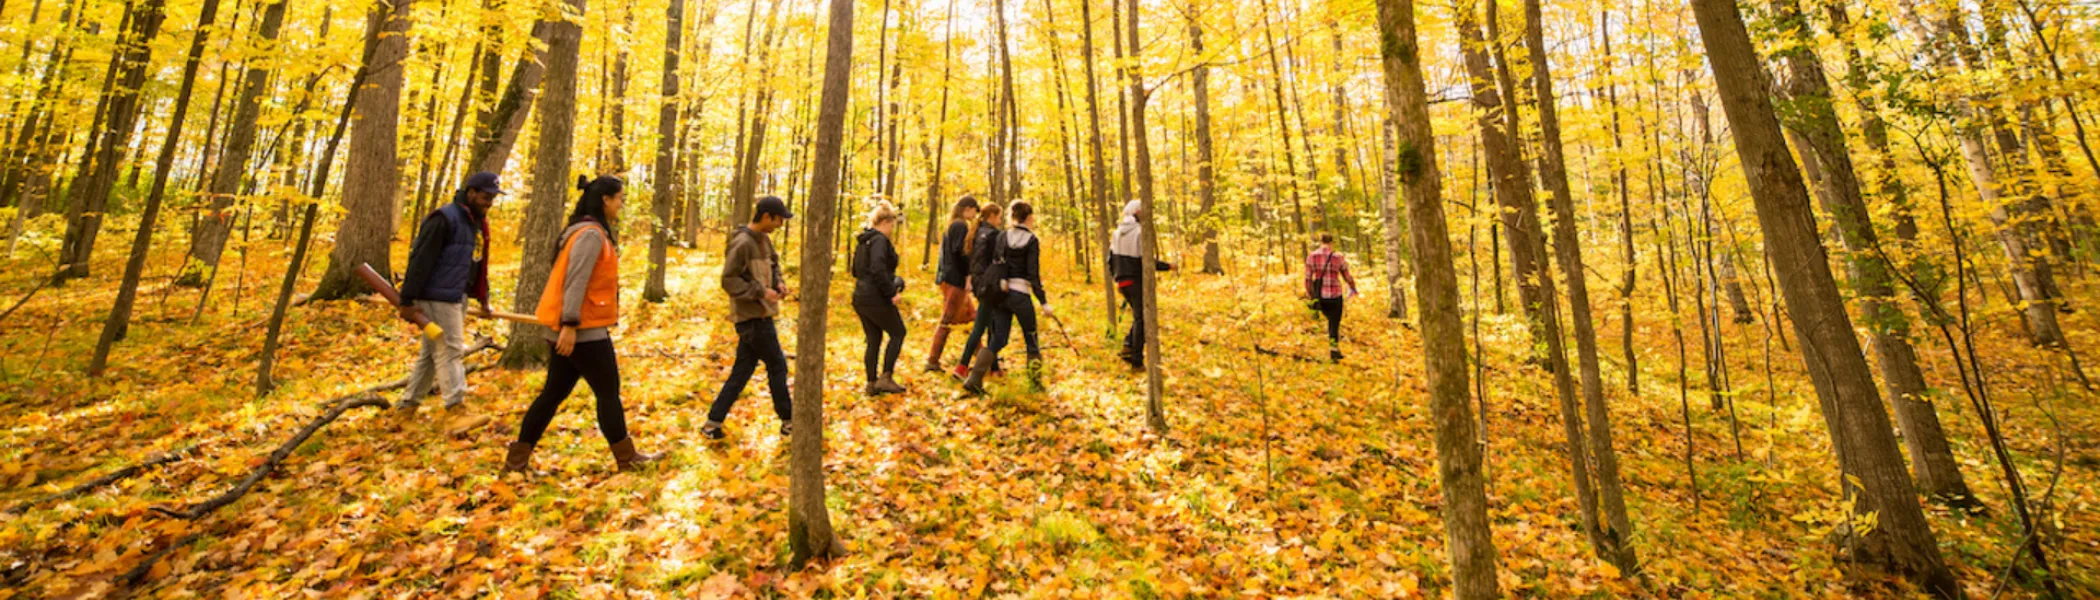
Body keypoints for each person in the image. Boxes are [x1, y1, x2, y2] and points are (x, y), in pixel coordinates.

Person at [505, 175, 661, 473]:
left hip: (577, 328)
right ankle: (627, 459)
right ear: (606, 200)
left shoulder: (585, 231)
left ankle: (516, 461)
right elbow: (575, 281)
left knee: (552, 395)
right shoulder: (590, 235)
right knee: (607, 392)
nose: (621, 204)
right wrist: (570, 326)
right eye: (619, 199)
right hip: (583, 331)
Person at [395, 171, 500, 413]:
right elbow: (420, 259)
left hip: (457, 295)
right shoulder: (444, 218)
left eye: (493, 198)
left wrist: (484, 298)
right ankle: (456, 408)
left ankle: (408, 406)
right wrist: (407, 299)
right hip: (436, 296)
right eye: (486, 197)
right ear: (471, 193)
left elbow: (477, 263)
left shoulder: (477, 223)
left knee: (431, 353)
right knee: (451, 348)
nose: (490, 203)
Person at [704, 195, 795, 440]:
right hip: (751, 318)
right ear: (766, 216)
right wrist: (759, 292)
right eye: (778, 220)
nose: (780, 225)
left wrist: (779, 284)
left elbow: (774, 267)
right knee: (778, 365)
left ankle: (713, 423)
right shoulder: (742, 243)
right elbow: (729, 279)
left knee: (742, 371)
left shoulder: (765, 241)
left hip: (763, 315)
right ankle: (789, 421)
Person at [963, 201, 1052, 395]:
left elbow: (997, 262)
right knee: (1031, 337)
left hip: (1001, 295)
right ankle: (1035, 384)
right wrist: (1043, 302)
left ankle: (975, 378)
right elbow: (1033, 275)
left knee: (998, 339)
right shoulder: (1031, 240)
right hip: (1021, 295)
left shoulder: (1003, 236)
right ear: (1028, 217)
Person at [852, 201, 909, 396]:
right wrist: (891, 291)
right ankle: (885, 377)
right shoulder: (878, 241)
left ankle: (871, 382)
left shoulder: (863, 241)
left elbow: (856, 270)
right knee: (898, 332)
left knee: (874, 338)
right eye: (892, 225)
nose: (892, 229)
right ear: (885, 221)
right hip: (875, 297)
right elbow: (877, 269)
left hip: (860, 296)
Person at [1108, 199, 1172, 370]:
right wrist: (1168, 266)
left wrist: (1117, 278)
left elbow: (1110, 260)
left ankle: (1128, 346)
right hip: (1135, 281)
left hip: (1123, 282)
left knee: (1139, 318)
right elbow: (1147, 261)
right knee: (1143, 319)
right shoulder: (1140, 232)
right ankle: (1136, 360)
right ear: (1137, 213)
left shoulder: (1116, 232)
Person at [923, 196, 981, 373]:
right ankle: (932, 360)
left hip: (950, 277)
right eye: (974, 211)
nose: (975, 215)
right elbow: (961, 253)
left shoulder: (952, 225)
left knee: (972, 316)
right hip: (956, 280)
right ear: (967, 208)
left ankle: (984, 358)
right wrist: (967, 276)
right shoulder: (960, 225)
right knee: (947, 320)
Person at [953, 202, 1006, 379]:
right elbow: (998, 262)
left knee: (991, 325)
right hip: (990, 286)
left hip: (979, 284)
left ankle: (994, 367)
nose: (1000, 220)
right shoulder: (993, 236)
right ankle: (962, 366)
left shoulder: (976, 233)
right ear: (991, 216)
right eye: (998, 217)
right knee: (981, 327)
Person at [1303, 233, 1359, 362]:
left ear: (1320, 241)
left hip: (1320, 296)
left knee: (1328, 320)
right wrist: (1353, 288)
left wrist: (1311, 295)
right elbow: (1347, 276)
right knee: (1334, 323)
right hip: (1335, 295)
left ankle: (1334, 350)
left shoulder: (1312, 256)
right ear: (1332, 242)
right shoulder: (1338, 257)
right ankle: (1334, 350)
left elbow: (1307, 279)